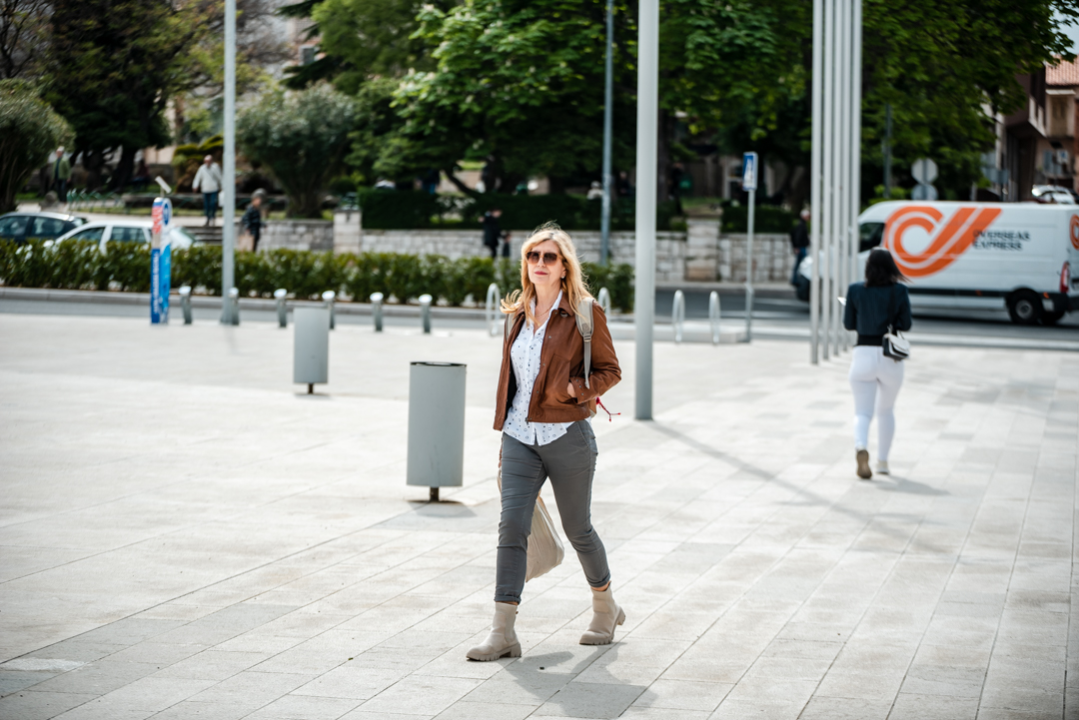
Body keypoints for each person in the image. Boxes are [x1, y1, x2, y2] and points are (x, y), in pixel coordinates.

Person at [467, 223, 623, 662]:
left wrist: (577, 390)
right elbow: (514, 382)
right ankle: (502, 633)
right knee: (511, 527)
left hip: (566, 435)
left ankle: (605, 607)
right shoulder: (516, 314)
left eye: (549, 257)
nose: (540, 264)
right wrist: (505, 438)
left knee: (578, 529)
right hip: (519, 435)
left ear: (563, 266)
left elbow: (610, 371)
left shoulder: (584, 313)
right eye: (533, 257)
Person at [843, 249, 912, 480]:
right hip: (890, 357)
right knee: (886, 410)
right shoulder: (900, 291)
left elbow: (849, 324)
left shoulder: (854, 290)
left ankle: (861, 447)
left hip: (862, 354)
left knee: (862, 412)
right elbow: (906, 324)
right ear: (892, 267)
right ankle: (882, 462)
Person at [192, 155, 223, 227]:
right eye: (206, 161)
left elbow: (219, 177)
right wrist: (195, 185)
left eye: (209, 161)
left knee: (213, 203)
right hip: (205, 189)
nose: (207, 163)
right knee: (206, 205)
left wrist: (222, 186)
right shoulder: (202, 168)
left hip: (213, 189)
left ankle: (213, 217)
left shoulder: (215, 167)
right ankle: (207, 218)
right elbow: (197, 177)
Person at [790, 209, 810, 285]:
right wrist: (796, 247)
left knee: (799, 264)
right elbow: (798, 237)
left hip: (801, 247)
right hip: (801, 248)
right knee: (801, 264)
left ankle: (796, 279)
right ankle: (795, 280)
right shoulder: (801, 225)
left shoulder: (801, 224)